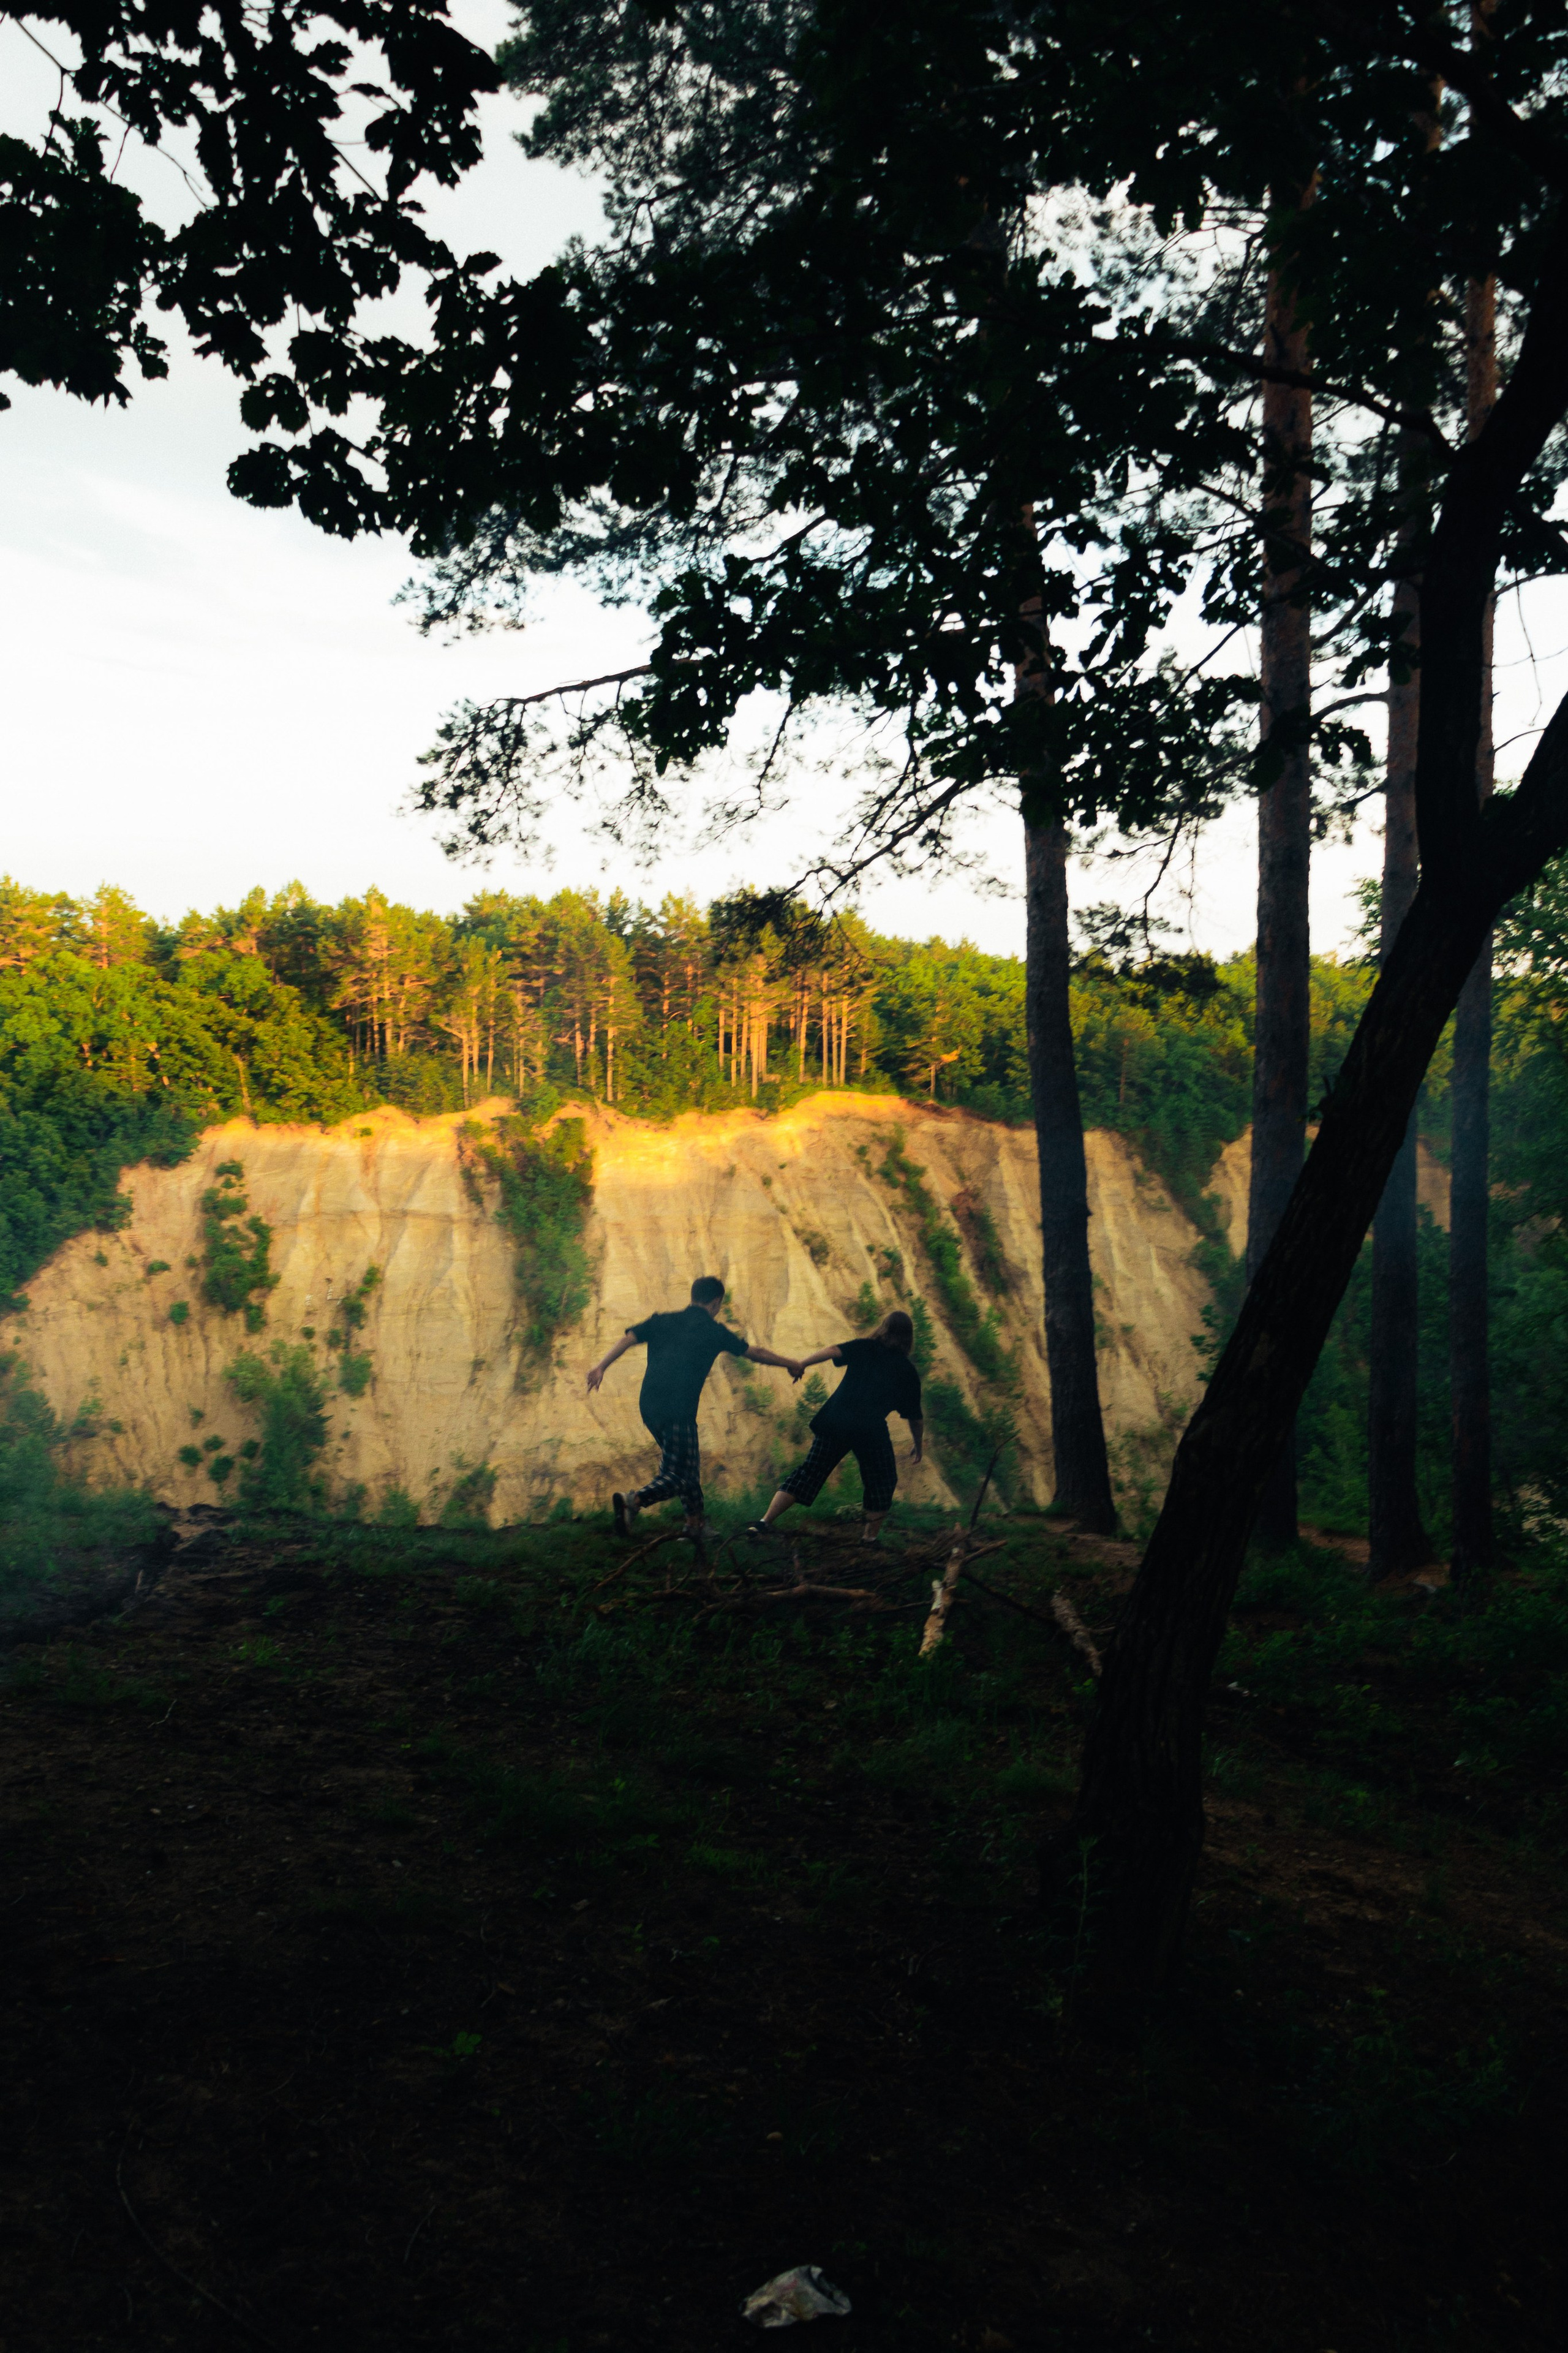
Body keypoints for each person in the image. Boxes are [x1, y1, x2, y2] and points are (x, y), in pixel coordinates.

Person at [586, 1275, 801, 1538]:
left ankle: (695, 1525)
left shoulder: (662, 1320)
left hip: (649, 1406)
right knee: (680, 1476)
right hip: (678, 1410)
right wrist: (790, 1362)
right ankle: (635, 1500)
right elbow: (755, 1353)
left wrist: (601, 1367)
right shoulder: (715, 1331)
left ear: (693, 1296)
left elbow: (630, 1337)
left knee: (688, 1465)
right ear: (715, 1303)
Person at [750, 1310, 924, 1544]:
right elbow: (914, 1416)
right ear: (908, 1338)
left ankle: (764, 1522)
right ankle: (869, 1538)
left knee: (809, 1472)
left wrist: (802, 1363)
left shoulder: (865, 1347)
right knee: (882, 1481)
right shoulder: (907, 1371)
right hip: (869, 1431)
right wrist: (918, 1444)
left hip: (837, 1421)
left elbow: (833, 1350)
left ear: (884, 1328)